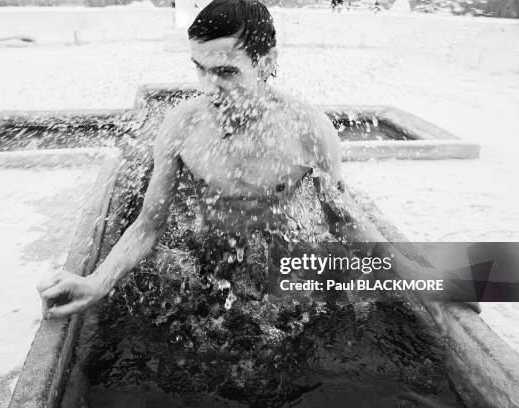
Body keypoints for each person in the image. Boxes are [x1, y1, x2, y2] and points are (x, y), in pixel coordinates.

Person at [37, 0, 478, 318]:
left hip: (281, 258)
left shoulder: (308, 129)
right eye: (199, 68)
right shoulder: (182, 125)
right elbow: (149, 225)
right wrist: (96, 283)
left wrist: (422, 280)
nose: (208, 87)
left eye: (226, 71)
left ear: (266, 62)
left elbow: (343, 217)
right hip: (203, 255)